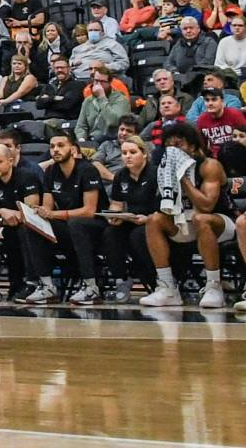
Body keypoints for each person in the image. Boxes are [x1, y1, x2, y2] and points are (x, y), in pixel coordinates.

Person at [139, 122, 234, 310]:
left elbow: (206, 206)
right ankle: (167, 288)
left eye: (179, 145)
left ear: (192, 146)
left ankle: (214, 286)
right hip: (185, 221)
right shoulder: (164, 169)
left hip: (219, 222)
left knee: (201, 219)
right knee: (154, 220)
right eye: (170, 146)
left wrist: (182, 177)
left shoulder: (209, 166)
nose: (174, 151)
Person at [0, 142, 51, 304]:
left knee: (24, 229)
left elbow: (30, 214)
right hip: (7, 225)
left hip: (31, 226)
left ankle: (32, 283)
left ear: (10, 161)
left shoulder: (27, 177)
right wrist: (1, 214)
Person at [38, 131, 102, 303]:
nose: (55, 150)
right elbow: (47, 207)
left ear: (73, 149)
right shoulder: (51, 171)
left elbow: (89, 211)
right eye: (52, 147)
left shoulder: (87, 169)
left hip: (95, 226)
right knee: (33, 226)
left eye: (60, 146)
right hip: (68, 225)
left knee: (76, 224)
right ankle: (46, 285)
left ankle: (91, 287)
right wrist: (40, 212)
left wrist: (54, 214)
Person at [98, 136, 157, 301]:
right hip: (131, 219)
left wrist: (148, 218)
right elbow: (116, 204)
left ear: (144, 154)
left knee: (137, 236)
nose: (127, 156)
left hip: (153, 220)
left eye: (132, 152)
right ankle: (121, 280)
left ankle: (154, 280)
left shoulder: (155, 173)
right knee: (110, 233)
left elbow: (164, 208)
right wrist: (113, 216)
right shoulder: (121, 176)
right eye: (124, 153)